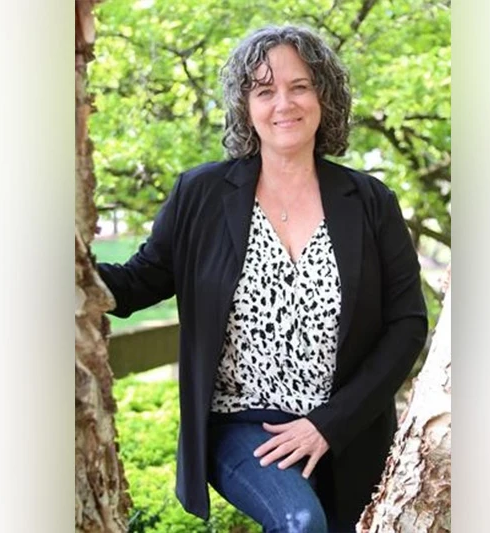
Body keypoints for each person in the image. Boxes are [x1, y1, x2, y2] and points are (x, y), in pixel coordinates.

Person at [97, 24, 428, 533]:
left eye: (300, 86)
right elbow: (139, 282)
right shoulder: (202, 194)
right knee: (300, 522)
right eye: (264, 89)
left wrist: (328, 424)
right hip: (241, 424)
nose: (283, 104)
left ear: (325, 97)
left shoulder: (370, 202)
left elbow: (407, 324)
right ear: (244, 105)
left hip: (346, 429)